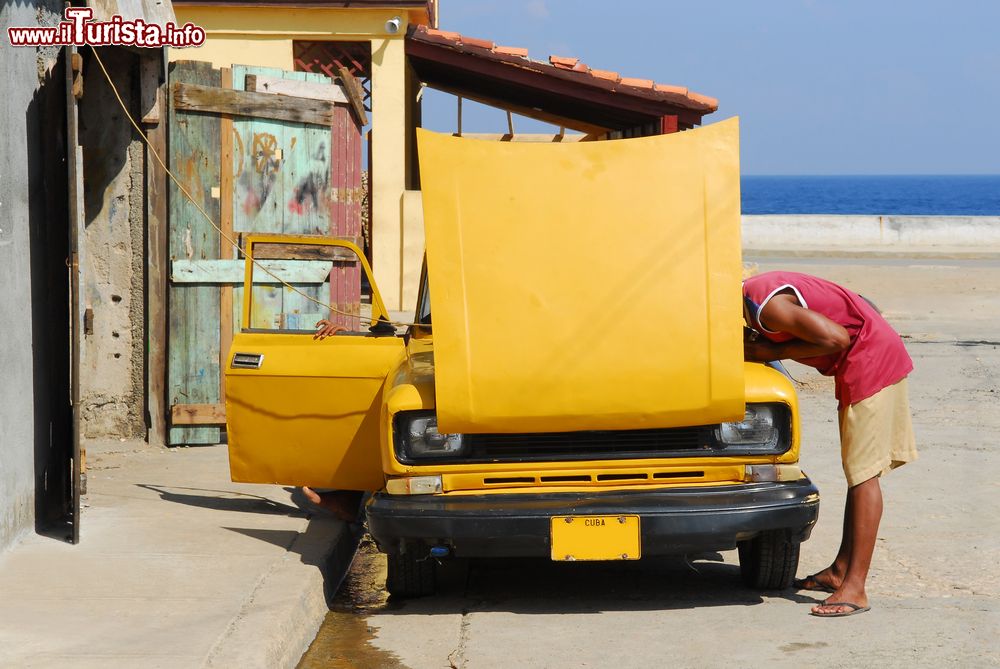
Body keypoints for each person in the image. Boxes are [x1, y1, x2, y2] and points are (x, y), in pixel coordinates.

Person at [742, 271, 917, 618]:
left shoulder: (765, 309)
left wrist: (772, 349)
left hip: (870, 365)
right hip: (871, 357)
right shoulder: (760, 289)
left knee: (864, 475)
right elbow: (866, 306)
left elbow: (836, 338)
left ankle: (856, 588)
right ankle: (840, 570)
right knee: (857, 470)